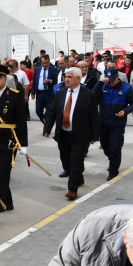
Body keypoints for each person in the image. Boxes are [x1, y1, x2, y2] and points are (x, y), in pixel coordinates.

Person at [43, 67, 100, 200]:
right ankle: (78, 177)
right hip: (63, 133)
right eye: (65, 77)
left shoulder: (89, 95)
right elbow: (52, 112)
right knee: (66, 160)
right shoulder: (60, 93)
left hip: (80, 134)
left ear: (78, 79)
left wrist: (94, 135)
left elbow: (94, 116)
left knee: (76, 160)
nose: (66, 79)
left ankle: (72, 189)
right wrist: (47, 129)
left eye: (69, 77)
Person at [0, 64, 28, 224]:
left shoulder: (14, 96)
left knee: (2, 177)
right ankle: (8, 202)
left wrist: (23, 144)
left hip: (8, 142)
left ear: (5, 78)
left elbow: (21, 121)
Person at [94, 68, 133, 180]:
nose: (110, 82)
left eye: (112, 80)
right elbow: (92, 97)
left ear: (118, 77)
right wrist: (99, 83)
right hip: (103, 122)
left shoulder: (126, 88)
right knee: (105, 146)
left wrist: (125, 111)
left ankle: (113, 170)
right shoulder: (103, 85)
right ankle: (112, 159)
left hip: (117, 124)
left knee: (115, 147)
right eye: (108, 80)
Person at [32, 55, 58, 123]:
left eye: (46, 63)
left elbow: (56, 81)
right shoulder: (37, 69)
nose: (44, 65)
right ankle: (45, 122)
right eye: (43, 63)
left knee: (49, 111)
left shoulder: (54, 69)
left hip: (49, 93)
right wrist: (33, 92)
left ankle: (47, 126)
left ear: (49, 62)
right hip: (39, 93)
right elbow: (34, 81)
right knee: (38, 111)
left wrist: (50, 81)